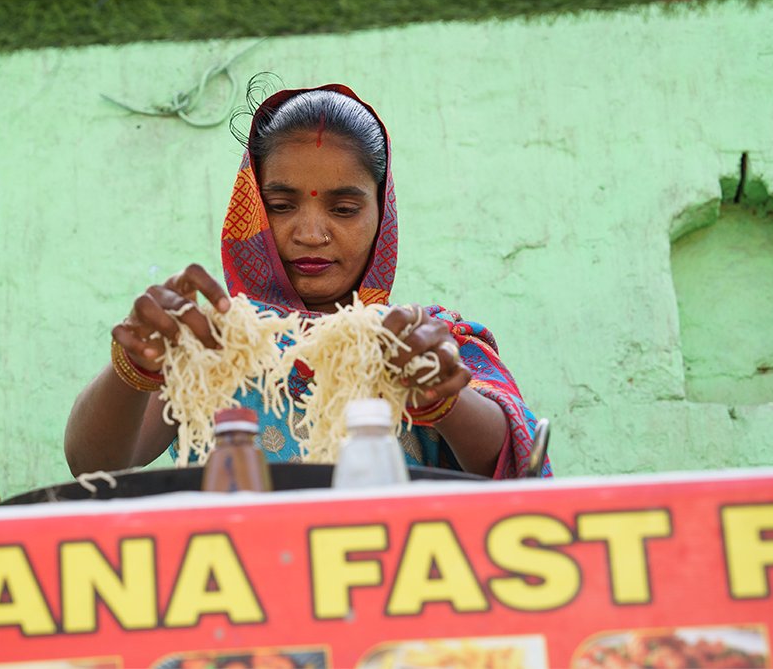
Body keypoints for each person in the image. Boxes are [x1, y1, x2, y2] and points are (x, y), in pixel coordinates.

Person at [65, 83, 551, 480]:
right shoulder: (207, 345)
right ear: (251, 209)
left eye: (343, 209)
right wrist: (134, 367)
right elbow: (96, 466)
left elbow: (518, 461)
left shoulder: (423, 345)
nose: (311, 234)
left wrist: (443, 398)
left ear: (382, 214)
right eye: (280, 206)